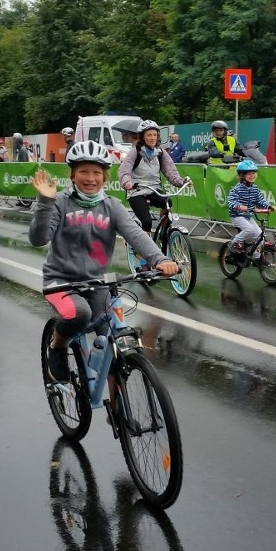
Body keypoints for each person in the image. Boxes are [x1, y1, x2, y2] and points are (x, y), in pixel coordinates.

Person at [29, 140, 179, 383]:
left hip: (98, 281)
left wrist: (160, 260)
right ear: (73, 175)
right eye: (83, 172)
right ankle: (57, 346)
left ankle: (119, 415)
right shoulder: (60, 202)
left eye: (96, 172)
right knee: (81, 314)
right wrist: (45, 203)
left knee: (114, 342)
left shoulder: (112, 206)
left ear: (105, 176)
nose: (90, 178)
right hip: (60, 282)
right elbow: (38, 239)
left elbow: (136, 235)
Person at [119, 120, 189, 233]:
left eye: (155, 135)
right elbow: (124, 170)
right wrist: (127, 183)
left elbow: (170, 171)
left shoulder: (160, 153)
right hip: (136, 191)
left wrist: (180, 182)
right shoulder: (135, 152)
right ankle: (144, 249)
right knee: (146, 221)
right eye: (149, 135)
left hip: (153, 190)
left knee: (167, 202)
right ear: (142, 137)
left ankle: (164, 232)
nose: (152, 138)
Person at [226, 160, 274, 261]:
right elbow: (231, 202)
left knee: (259, 235)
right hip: (237, 216)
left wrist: (269, 206)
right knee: (250, 230)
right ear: (242, 175)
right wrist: (239, 206)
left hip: (248, 216)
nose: (252, 176)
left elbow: (260, 200)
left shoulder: (255, 189)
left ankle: (257, 258)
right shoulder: (237, 189)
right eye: (249, 174)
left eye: (253, 173)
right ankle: (234, 243)